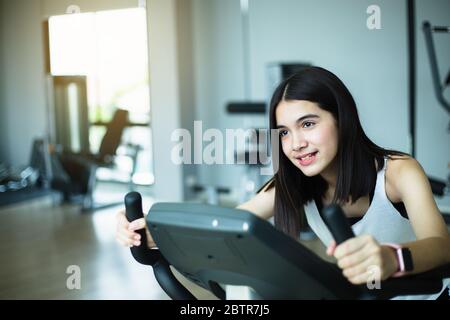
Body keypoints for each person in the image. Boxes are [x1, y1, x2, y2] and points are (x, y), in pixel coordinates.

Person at [115, 66, 450, 299]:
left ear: (342, 119)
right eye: (285, 132)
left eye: (308, 124)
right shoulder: (295, 184)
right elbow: (223, 225)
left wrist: (392, 258)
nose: (295, 143)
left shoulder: (398, 172)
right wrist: (151, 232)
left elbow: (442, 244)